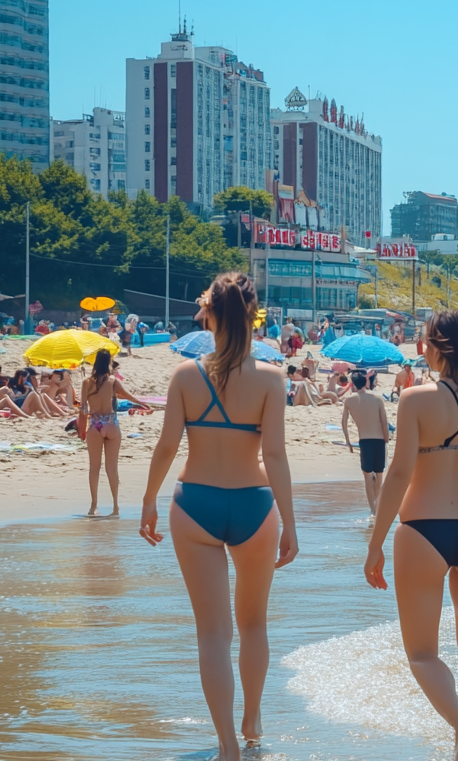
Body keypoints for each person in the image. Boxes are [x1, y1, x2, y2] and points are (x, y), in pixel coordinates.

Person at [140, 273, 297, 760]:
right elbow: (275, 455)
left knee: (212, 634)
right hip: (255, 505)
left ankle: (228, 745)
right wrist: (291, 523)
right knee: (254, 625)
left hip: (196, 505)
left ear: (209, 314)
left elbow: (167, 446)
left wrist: (147, 500)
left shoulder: (186, 376)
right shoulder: (271, 378)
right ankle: (253, 720)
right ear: (252, 316)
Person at [364, 310, 458, 761]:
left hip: (421, 530)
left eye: (424, 342)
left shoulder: (415, 399)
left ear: (438, 347)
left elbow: (399, 474)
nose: (421, 349)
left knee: (421, 654)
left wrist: (375, 543)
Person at [79, 348, 151, 516]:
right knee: (112, 468)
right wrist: (143, 404)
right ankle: (115, 507)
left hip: (95, 424)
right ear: (109, 363)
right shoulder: (112, 381)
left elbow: (82, 409)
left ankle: (93, 506)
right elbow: (128, 395)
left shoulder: (86, 382)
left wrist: (82, 430)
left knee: (94, 468)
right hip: (111, 423)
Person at [342, 370, 390, 515]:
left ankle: (373, 511)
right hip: (380, 440)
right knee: (379, 474)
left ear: (353, 383)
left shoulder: (349, 401)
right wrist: (386, 439)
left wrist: (348, 441)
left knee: (368, 476)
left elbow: (344, 422)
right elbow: (384, 421)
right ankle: (378, 507)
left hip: (365, 441)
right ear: (366, 382)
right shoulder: (377, 399)